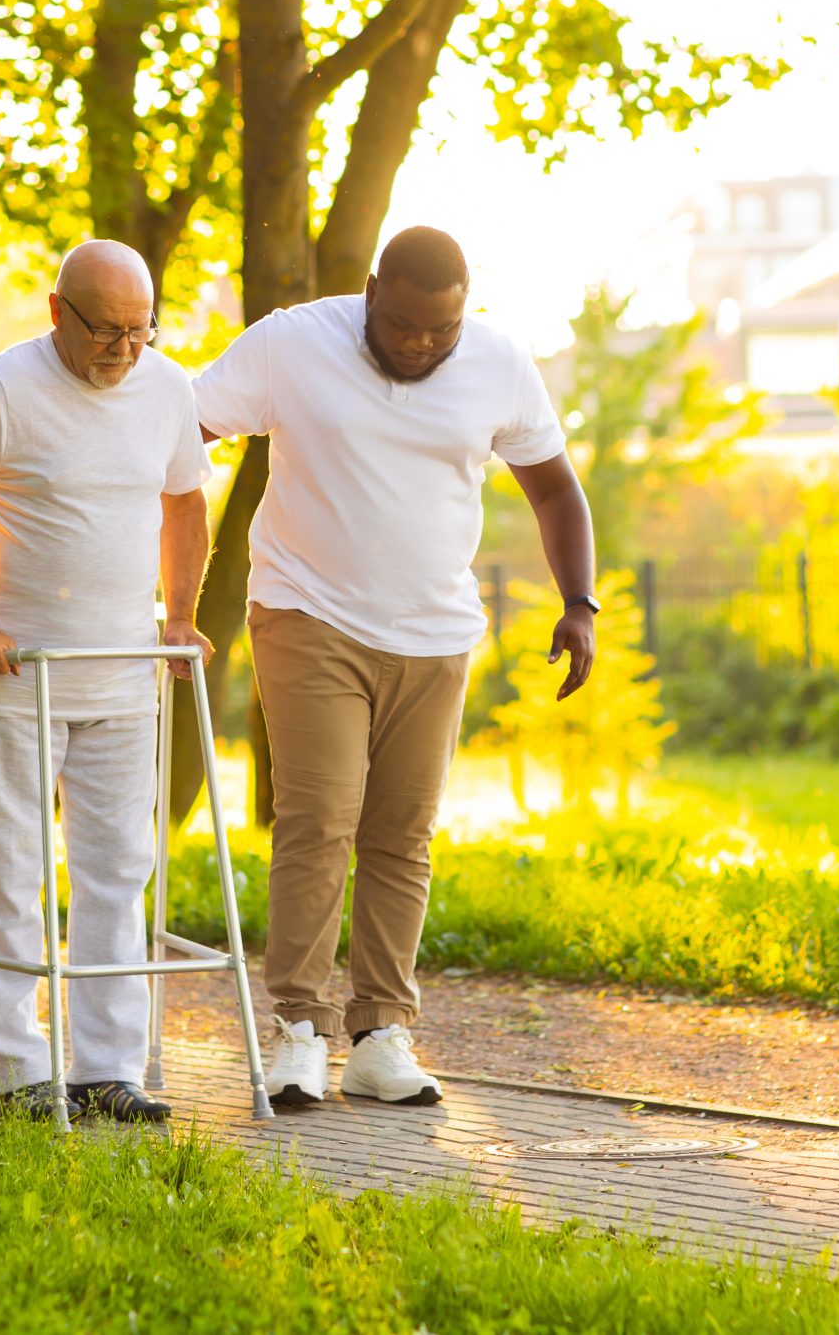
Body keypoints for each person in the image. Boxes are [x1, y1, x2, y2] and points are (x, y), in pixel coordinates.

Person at [194, 226, 597, 1108]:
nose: (421, 344)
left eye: (440, 331)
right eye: (406, 323)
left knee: (401, 836)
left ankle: (380, 1034)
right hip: (309, 613)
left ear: (465, 314)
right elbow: (182, 424)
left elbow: (555, 486)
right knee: (319, 819)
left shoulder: (496, 363)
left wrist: (579, 602)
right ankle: (299, 1028)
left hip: (435, 634)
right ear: (373, 289)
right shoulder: (292, 342)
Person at [0, 241, 210, 1123]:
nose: (123, 350)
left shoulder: (169, 390)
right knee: (4, 873)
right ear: (56, 309)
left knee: (118, 870)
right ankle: (17, 1075)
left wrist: (178, 612)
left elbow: (184, 501)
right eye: (104, 330)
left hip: (125, 672)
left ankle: (108, 1067)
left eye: (139, 330)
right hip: (17, 672)